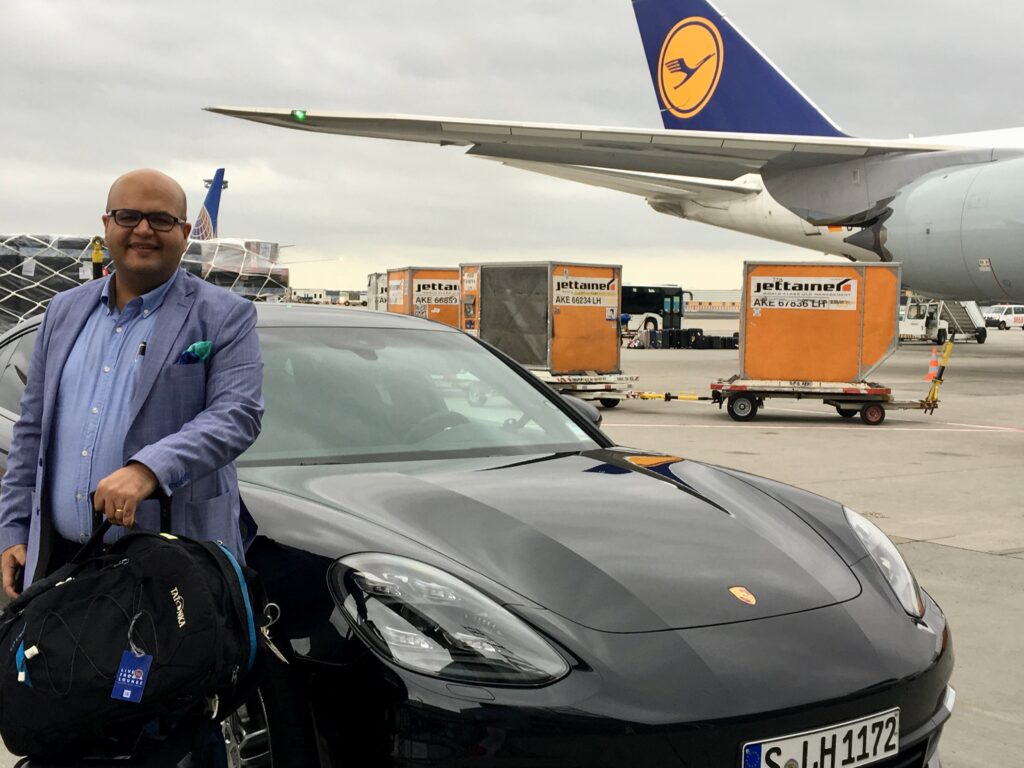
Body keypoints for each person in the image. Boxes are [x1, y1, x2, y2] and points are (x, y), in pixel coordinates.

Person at [0, 169, 264, 598]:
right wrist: (12, 528)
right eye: (128, 216)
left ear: (182, 233)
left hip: (173, 571)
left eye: (160, 220)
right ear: (107, 226)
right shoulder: (63, 312)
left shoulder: (225, 315)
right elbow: (33, 429)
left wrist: (149, 469)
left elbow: (237, 415)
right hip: (61, 563)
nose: (143, 229)